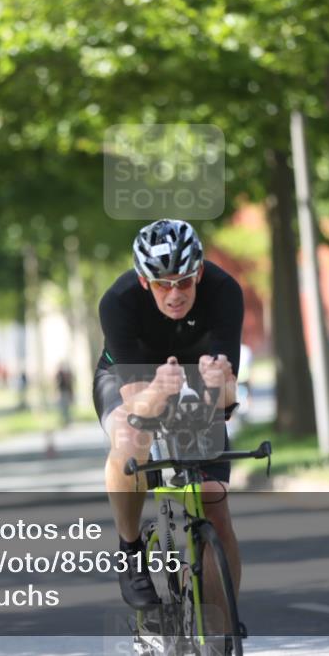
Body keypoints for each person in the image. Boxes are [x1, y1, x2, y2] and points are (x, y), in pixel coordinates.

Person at [94, 218, 243, 614]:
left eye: (184, 282)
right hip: (132, 380)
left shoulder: (224, 291)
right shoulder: (118, 301)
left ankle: (221, 628)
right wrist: (159, 390)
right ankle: (130, 550)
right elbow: (137, 408)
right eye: (163, 285)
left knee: (214, 503)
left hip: (195, 375)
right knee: (130, 437)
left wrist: (220, 385)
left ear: (199, 273)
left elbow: (226, 402)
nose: (175, 294)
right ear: (145, 282)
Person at [55, 364, 74, 428]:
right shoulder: (59, 375)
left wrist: (71, 394)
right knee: (63, 408)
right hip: (62, 393)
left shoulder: (65, 376)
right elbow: (57, 385)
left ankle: (67, 421)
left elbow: (69, 386)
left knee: (66, 408)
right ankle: (65, 421)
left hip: (65, 393)